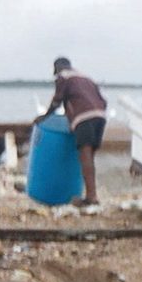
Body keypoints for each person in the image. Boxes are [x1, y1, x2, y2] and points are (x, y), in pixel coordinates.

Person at [36, 57, 107, 207]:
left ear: (57, 68)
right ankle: (91, 194)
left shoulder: (63, 77)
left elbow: (57, 101)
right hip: (100, 116)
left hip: (84, 118)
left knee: (85, 155)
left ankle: (91, 198)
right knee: (89, 157)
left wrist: (45, 116)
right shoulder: (86, 78)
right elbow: (103, 101)